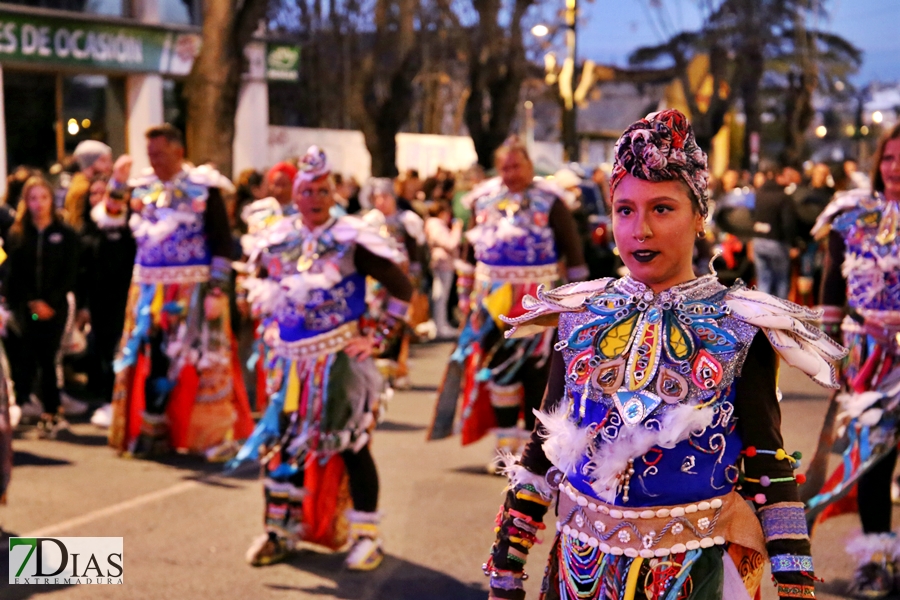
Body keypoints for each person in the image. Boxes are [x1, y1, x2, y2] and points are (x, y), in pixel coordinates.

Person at [484, 110, 845, 600]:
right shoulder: (580, 313)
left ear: (700, 216)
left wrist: (796, 586)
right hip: (579, 572)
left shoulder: (741, 324)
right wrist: (505, 572)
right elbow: (541, 448)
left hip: (695, 578)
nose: (640, 230)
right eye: (625, 210)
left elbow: (768, 463)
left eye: (662, 209)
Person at [232, 147, 412, 570]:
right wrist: (263, 317)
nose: (316, 197)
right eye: (308, 190)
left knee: (351, 445)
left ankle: (367, 536)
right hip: (287, 362)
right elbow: (254, 284)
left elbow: (401, 287)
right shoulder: (277, 237)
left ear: (333, 194)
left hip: (339, 360)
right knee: (281, 445)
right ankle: (279, 531)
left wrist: (378, 337)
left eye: (323, 190)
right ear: (296, 195)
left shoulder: (350, 237)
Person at [429, 136, 587, 472]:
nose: (511, 173)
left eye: (517, 166)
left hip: (539, 300)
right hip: (493, 302)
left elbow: (573, 252)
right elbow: (468, 257)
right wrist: (465, 300)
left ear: (530, 166)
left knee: (538, 374)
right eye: (505, 167)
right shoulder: (483, 200)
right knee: (499, 371)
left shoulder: (550, 201)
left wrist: (576, 301)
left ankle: (535, 448)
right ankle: (504, 447)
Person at [107, 124, 253, 458]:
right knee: (151, 356)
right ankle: (152, 430)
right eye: (151, 154)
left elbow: (221, 240)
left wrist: (217, 290)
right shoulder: (143, 187)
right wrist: (116, 181)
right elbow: (112, 219)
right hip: (149, 290)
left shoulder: (204, 187)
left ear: (178, 151)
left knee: (204, 360)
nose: (154, 160)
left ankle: (211, 436)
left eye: (159, 153)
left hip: (195, 290)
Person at [806, 123, 900, 598]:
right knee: (871, 465)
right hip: (867, 359)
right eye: (887, 157)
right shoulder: (849, 214)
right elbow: (831, 289)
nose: (894, 167)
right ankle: (877, 564)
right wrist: (831, 352)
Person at [3, 176, 80, 437]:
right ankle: (27, 403)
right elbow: (12, 272)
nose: (39, 204)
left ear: (51, 200)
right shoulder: (16, 233)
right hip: (27, 306)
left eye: (43, 198)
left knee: (49, 357)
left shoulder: (66, 233)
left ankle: (52, 411)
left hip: (55, 306)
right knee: (28, 356)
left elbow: (70, 273)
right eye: (33, 198)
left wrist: (50, 303)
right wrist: (30, 303)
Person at [78, 171, 137, 426]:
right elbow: (81, 273)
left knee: (124, 351)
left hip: (128, 300)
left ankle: (128, 402)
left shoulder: (130, 227)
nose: (100, 198)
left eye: (105, 193)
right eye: (94, 193)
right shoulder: (85, 230)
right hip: (99, 303)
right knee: (103, 352)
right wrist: (83, 306)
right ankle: (107, 401)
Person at [361, 177, 425, 388]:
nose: (381, 201)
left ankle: (398, 369)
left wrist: (414, 280)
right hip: (378, 282)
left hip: (402, 278)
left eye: (385, 196)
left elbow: (416, 252)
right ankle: (377, 369)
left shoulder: (408, 220)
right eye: (377, 197)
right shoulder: (370, 221)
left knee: (400, 323)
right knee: (376, 320)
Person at [751, 161, 798, 299]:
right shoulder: (784, 197)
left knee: (763, 281)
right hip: (777, 242)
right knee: (781, 282)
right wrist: (793, 244)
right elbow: (788, 223)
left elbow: (750, 217)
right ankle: (779, 315)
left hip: (758, 241)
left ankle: (762, 315)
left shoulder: (757, 195)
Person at [424, 200, 463, 339]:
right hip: (443, 263)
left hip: (441, 262)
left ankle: (440, 324)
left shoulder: (432, 224)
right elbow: (451, 244)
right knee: (441, 296)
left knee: (439, 295)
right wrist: (457, 229)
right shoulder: (436, 225)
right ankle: (440, 326)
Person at [64, 140, 114, 232]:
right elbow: (77, 225)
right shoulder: (82, 189)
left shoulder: (80, 183)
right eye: (104, 160)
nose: (109, 165)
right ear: (91, 162)